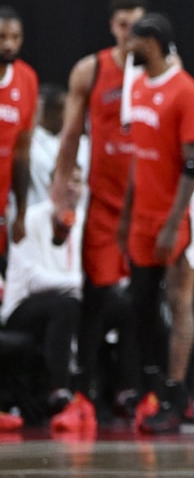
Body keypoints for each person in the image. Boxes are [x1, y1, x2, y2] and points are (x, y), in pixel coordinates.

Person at [49, 0, 146, 418]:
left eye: (138, 25)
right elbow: (70, 135)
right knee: (98, 295)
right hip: (104, 204)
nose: (130, 32)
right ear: (112, 26)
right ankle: (84, 390)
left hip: (147, 202)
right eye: (123, 24)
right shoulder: (91, 69)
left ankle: (136, 390)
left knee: (144, 299)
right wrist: (59, 193)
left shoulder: (161, 72)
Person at [116, 13, 194, 434]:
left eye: (132, 40)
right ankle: (158, 384)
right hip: (144, 211)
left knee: (178, 300)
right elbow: (139, 155)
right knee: (140, 301)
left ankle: (175, 394)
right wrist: (126, 212)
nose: (126, 47)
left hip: (181, 212)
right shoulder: (135, 86)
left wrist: (175, 223)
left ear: (151, 42)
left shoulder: (186, 91)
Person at [0, 165, 89, 428]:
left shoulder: (86, 220)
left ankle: (120, 394)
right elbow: (33, 279)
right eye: (66, 180)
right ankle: (57, 392)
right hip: (22, 307)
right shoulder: (30, 218)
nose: (72, 187)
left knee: (121, 306)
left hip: (68, 301)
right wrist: (78, 283)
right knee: (66, 305)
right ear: (51, 187)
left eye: (78, 181)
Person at [0, 7, 37, 274]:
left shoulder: (27, 79)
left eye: (16, 37)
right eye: (2, 37)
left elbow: (22, 152)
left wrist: (22, 213)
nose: (10, 44)